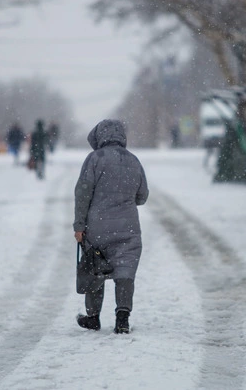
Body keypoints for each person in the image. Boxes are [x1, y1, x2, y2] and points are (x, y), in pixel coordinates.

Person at [73, 119, 149, 334]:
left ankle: (93, 317)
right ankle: (122, 317)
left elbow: (83, 194)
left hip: (97, 226)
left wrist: (79, 225)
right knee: (125, 270)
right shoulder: (134, 160)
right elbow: (142, 196)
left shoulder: (94, 159)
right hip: (128, 227)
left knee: (96, 267)